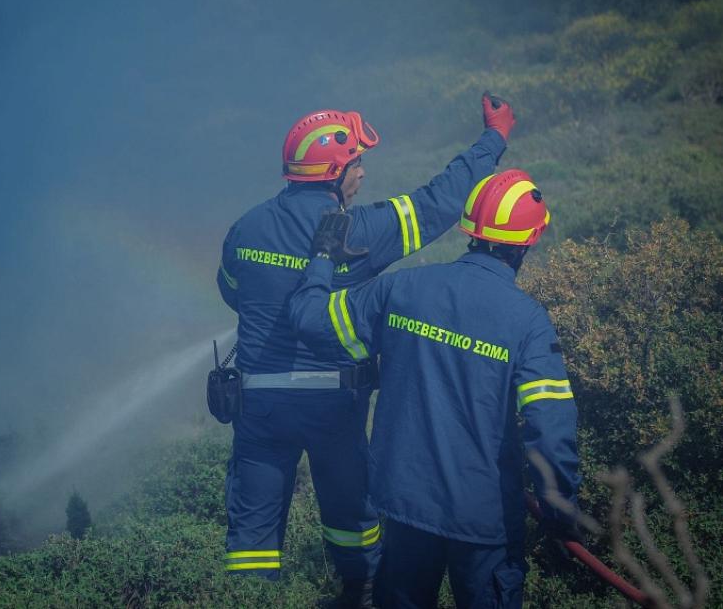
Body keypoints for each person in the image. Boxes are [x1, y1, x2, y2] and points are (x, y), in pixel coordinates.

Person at [215, 95, 513, 606]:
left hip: (259, 407)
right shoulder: (364, 231)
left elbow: (231, 292)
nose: (363, 175)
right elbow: (439, 201)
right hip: (334, 406)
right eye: (357, 163)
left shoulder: (245, 227)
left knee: (251, 549)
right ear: (336, 172)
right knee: (353, 523)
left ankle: (244, 598)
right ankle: (360, 592)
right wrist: (494, 139)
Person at [288, 169, 581, 608]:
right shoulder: (529, 323)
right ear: (528, 242)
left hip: (404, 504)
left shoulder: (402, 288)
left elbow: (311, 322)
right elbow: (548, 424)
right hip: (483, 519)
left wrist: (322, 258)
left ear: (470, 229)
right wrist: (560, 511)